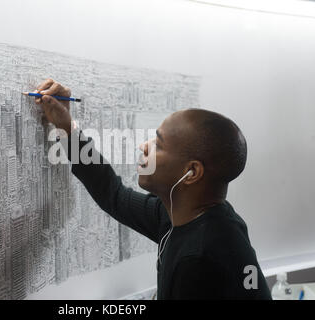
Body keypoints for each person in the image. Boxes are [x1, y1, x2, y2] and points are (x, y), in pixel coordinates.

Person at [34, 78, 272, 300]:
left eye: (158, 144)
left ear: (192, 172)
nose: (144, 146)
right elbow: (113, 195)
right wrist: (66, 126)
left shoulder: (198, 257)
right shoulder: (182, 216)